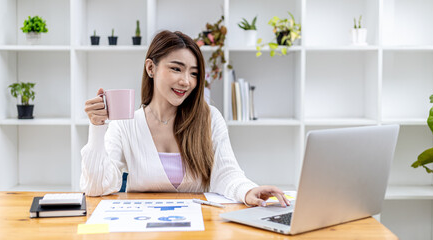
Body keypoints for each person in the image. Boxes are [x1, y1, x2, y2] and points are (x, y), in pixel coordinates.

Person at [80, 30, 290, 207]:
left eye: (194, 73)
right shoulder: (125, 124)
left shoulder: (209, 118)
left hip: (201, 228)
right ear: (151, 68)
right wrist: (97, 127)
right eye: (176, 69)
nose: (186, 81)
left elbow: (227, 173)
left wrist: (248, 191)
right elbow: (96, 187)